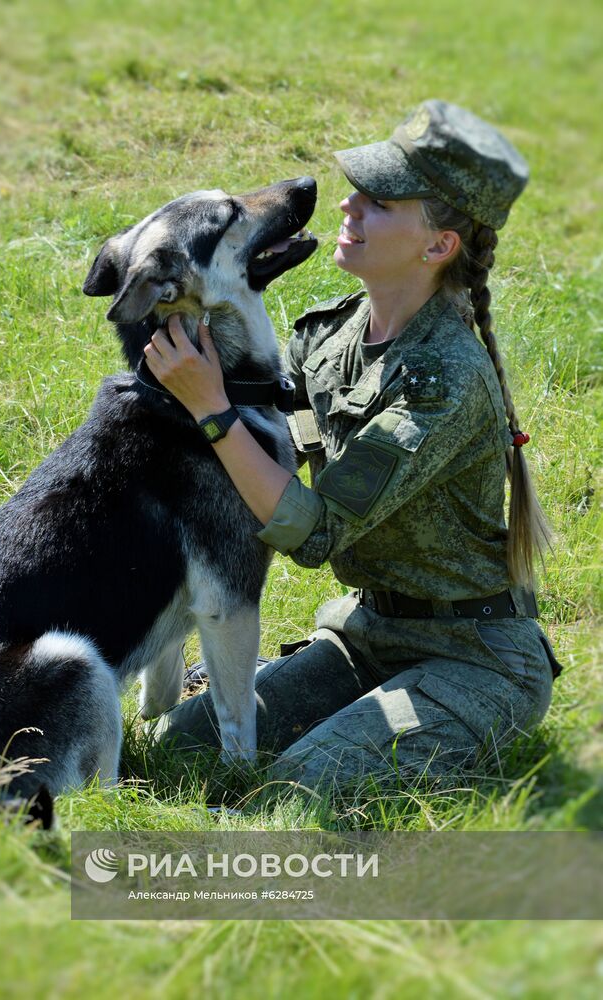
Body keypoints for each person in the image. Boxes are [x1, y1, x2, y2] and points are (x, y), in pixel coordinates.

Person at [143, 99, 562, 792]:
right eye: (356, 191)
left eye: (378, 202)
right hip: (367, 634)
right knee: (178, 746)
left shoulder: (444, 379)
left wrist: (211, 408)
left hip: (474, 659)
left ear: (437, 246)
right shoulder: (327, 335)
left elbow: (315, 534)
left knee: (296, 790)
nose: (347, 206)